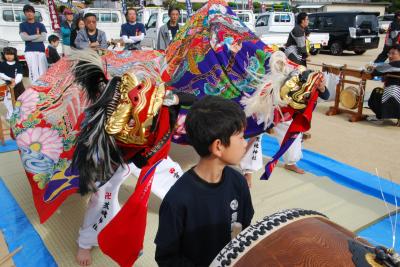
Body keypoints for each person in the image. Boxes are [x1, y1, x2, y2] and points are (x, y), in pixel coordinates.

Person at [155, 96, 254, 266]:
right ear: (218, 146)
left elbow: (245, 226)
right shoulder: (177, 199)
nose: (245, 144)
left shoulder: (238, 182)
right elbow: (167, 257)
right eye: (240, 137)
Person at [274, 73, 329, 174]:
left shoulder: (312, 79)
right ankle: (290, 163)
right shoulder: (294, 75)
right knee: (288, 135)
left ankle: (290, 163)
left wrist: (322, 87)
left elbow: (326, 95)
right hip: (284, 110)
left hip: (297, 115)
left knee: (295, 137)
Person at [368, 45, 400, 125]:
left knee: (376, 92)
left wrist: (371, 68)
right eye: (389, 54)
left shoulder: (394, 64)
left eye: (393, 53)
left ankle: (381, 115)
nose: (390, 56)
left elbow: (375, 71)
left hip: (395, 95)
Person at [19, 4, 48, 82]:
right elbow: (24, 38)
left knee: (43, 71)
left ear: (34, 13)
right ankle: (34, 90)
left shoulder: (41, 25)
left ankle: (44, 89)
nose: (29, 13)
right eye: (27, 12)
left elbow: (43, 37)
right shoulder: (22, 25)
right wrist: (37, 35)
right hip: (29, 51)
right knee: (33, 72)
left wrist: (30, 39)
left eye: (31, 12)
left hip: (41, 50)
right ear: (24, 14)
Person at [0, 47, 24, 120]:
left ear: (15, 55)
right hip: (8, 86)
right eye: (7, 54)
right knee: (8, 101)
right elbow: (1, 74)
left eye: (11, 54)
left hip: (18, 86)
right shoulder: (3, 64)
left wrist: (15, 82)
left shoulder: (18, 64)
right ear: (4, 55)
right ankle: (10, 114)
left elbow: (20, 75)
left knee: (19, 100)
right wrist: (10, 79)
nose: (9, 56)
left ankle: (18, 113)